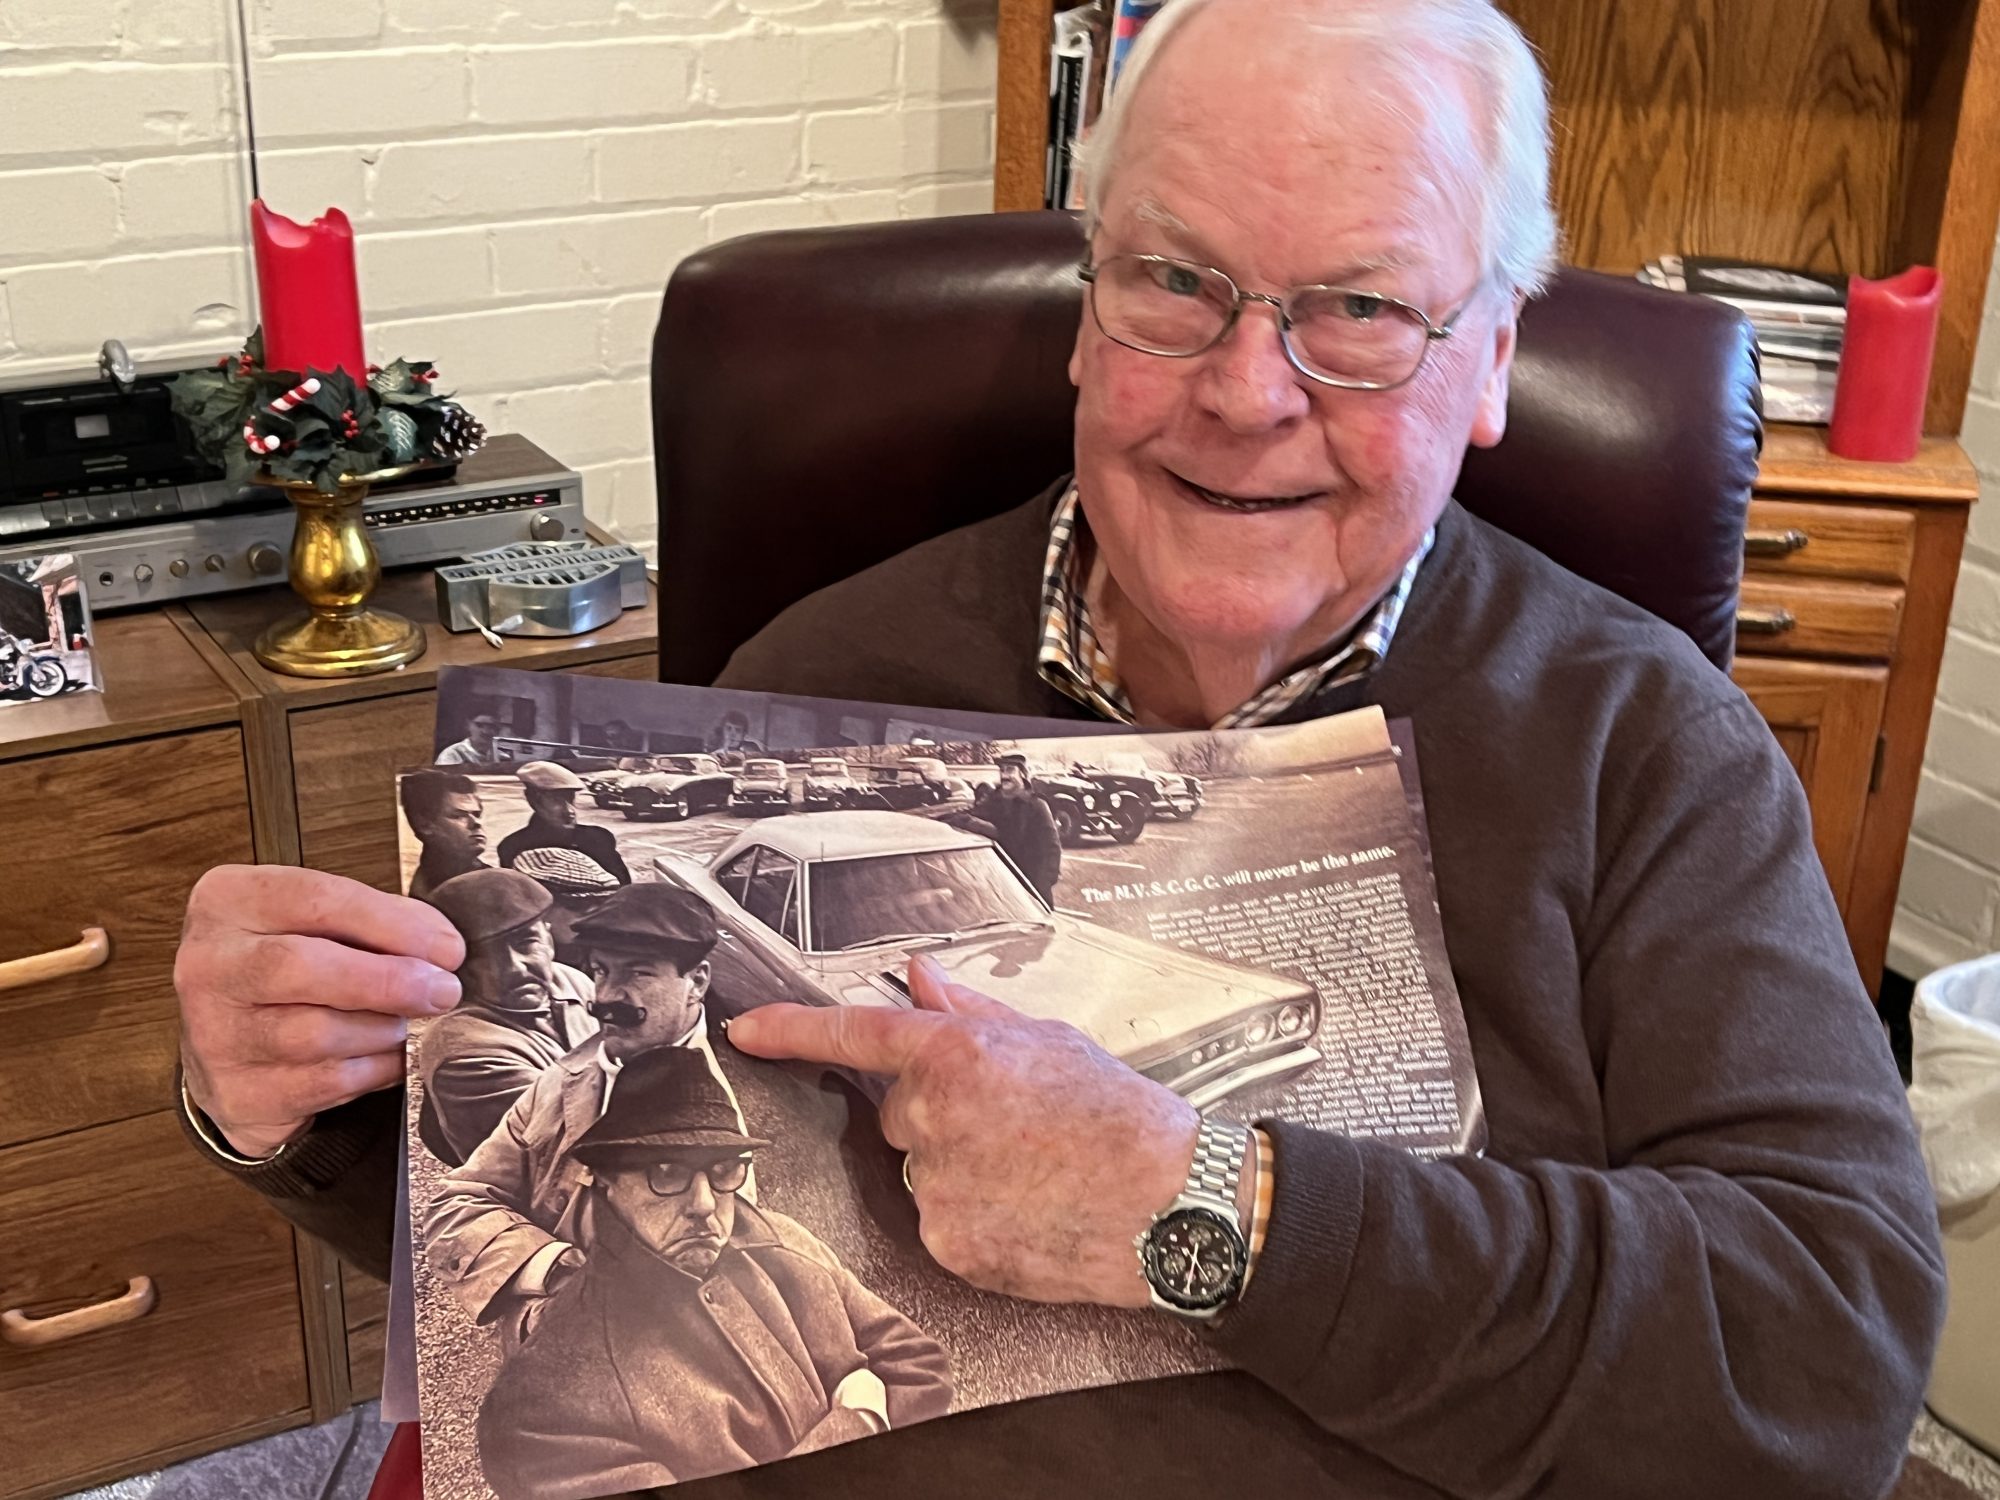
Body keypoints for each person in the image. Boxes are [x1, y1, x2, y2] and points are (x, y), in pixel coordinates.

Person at [172, 2, 1944, 1496]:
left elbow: (1827, 1363)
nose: (1252, 394)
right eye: (1178, 282)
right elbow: (610, 1250)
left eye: (1361, 313)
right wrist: (313, 1111)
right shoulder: (821, 678)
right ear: (1093, 307)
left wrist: (1213, 1214)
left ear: (1487, 360)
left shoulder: (1644, 742)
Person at [472, 1046, 955, 1499]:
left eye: (724, 1170)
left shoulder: (786, 1243)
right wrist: (860, 1417)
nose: (705, 1205)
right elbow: (889, 1395)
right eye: (666, 1172)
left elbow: (919, 1367)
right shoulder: (543, 1405)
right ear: (607, 1182)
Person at [424, 881, 754, 1343]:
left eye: (638, 974)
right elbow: (455, 1203)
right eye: (600, 971)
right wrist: (552, 1268)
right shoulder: (562, 1080)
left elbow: (731, 1283)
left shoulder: (740, 1097)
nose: (607, 997)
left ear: (696, 982)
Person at [415, 869, 599, 1167]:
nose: (514, 967)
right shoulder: (464, 1051)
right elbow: (577, 1140)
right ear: (456, 966)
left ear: (549, 939)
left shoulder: (571, 982)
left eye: (527, 942)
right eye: (483, 955)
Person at [496, 761, 631, 884]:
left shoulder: (598, 838)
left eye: (570, 798)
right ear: (533, 800)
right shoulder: (513, 846)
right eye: (556, 800)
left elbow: (623, 889)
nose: (569, 811)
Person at [970, 753, 1063, 904]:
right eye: (1002, 770)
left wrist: (1043, 883)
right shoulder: (992, 802)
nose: (1004, 775)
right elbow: (971, 818)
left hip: (1032, 885)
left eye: (1010, 770)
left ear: (1023, 774)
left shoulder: (1036, 805)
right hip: (1001, 884)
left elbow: (1052, 847)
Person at [400, 770, 490, 902]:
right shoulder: (428, 891)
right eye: (458, 816)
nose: (476, 823)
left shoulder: (491, 879)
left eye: (476, 814)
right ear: (425, 825)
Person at [437, 711, 503, 765]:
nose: (485, 731)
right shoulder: (453, 754)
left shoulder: (503, 757)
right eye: (479, 725)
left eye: (491, 727)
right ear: (468, 725)